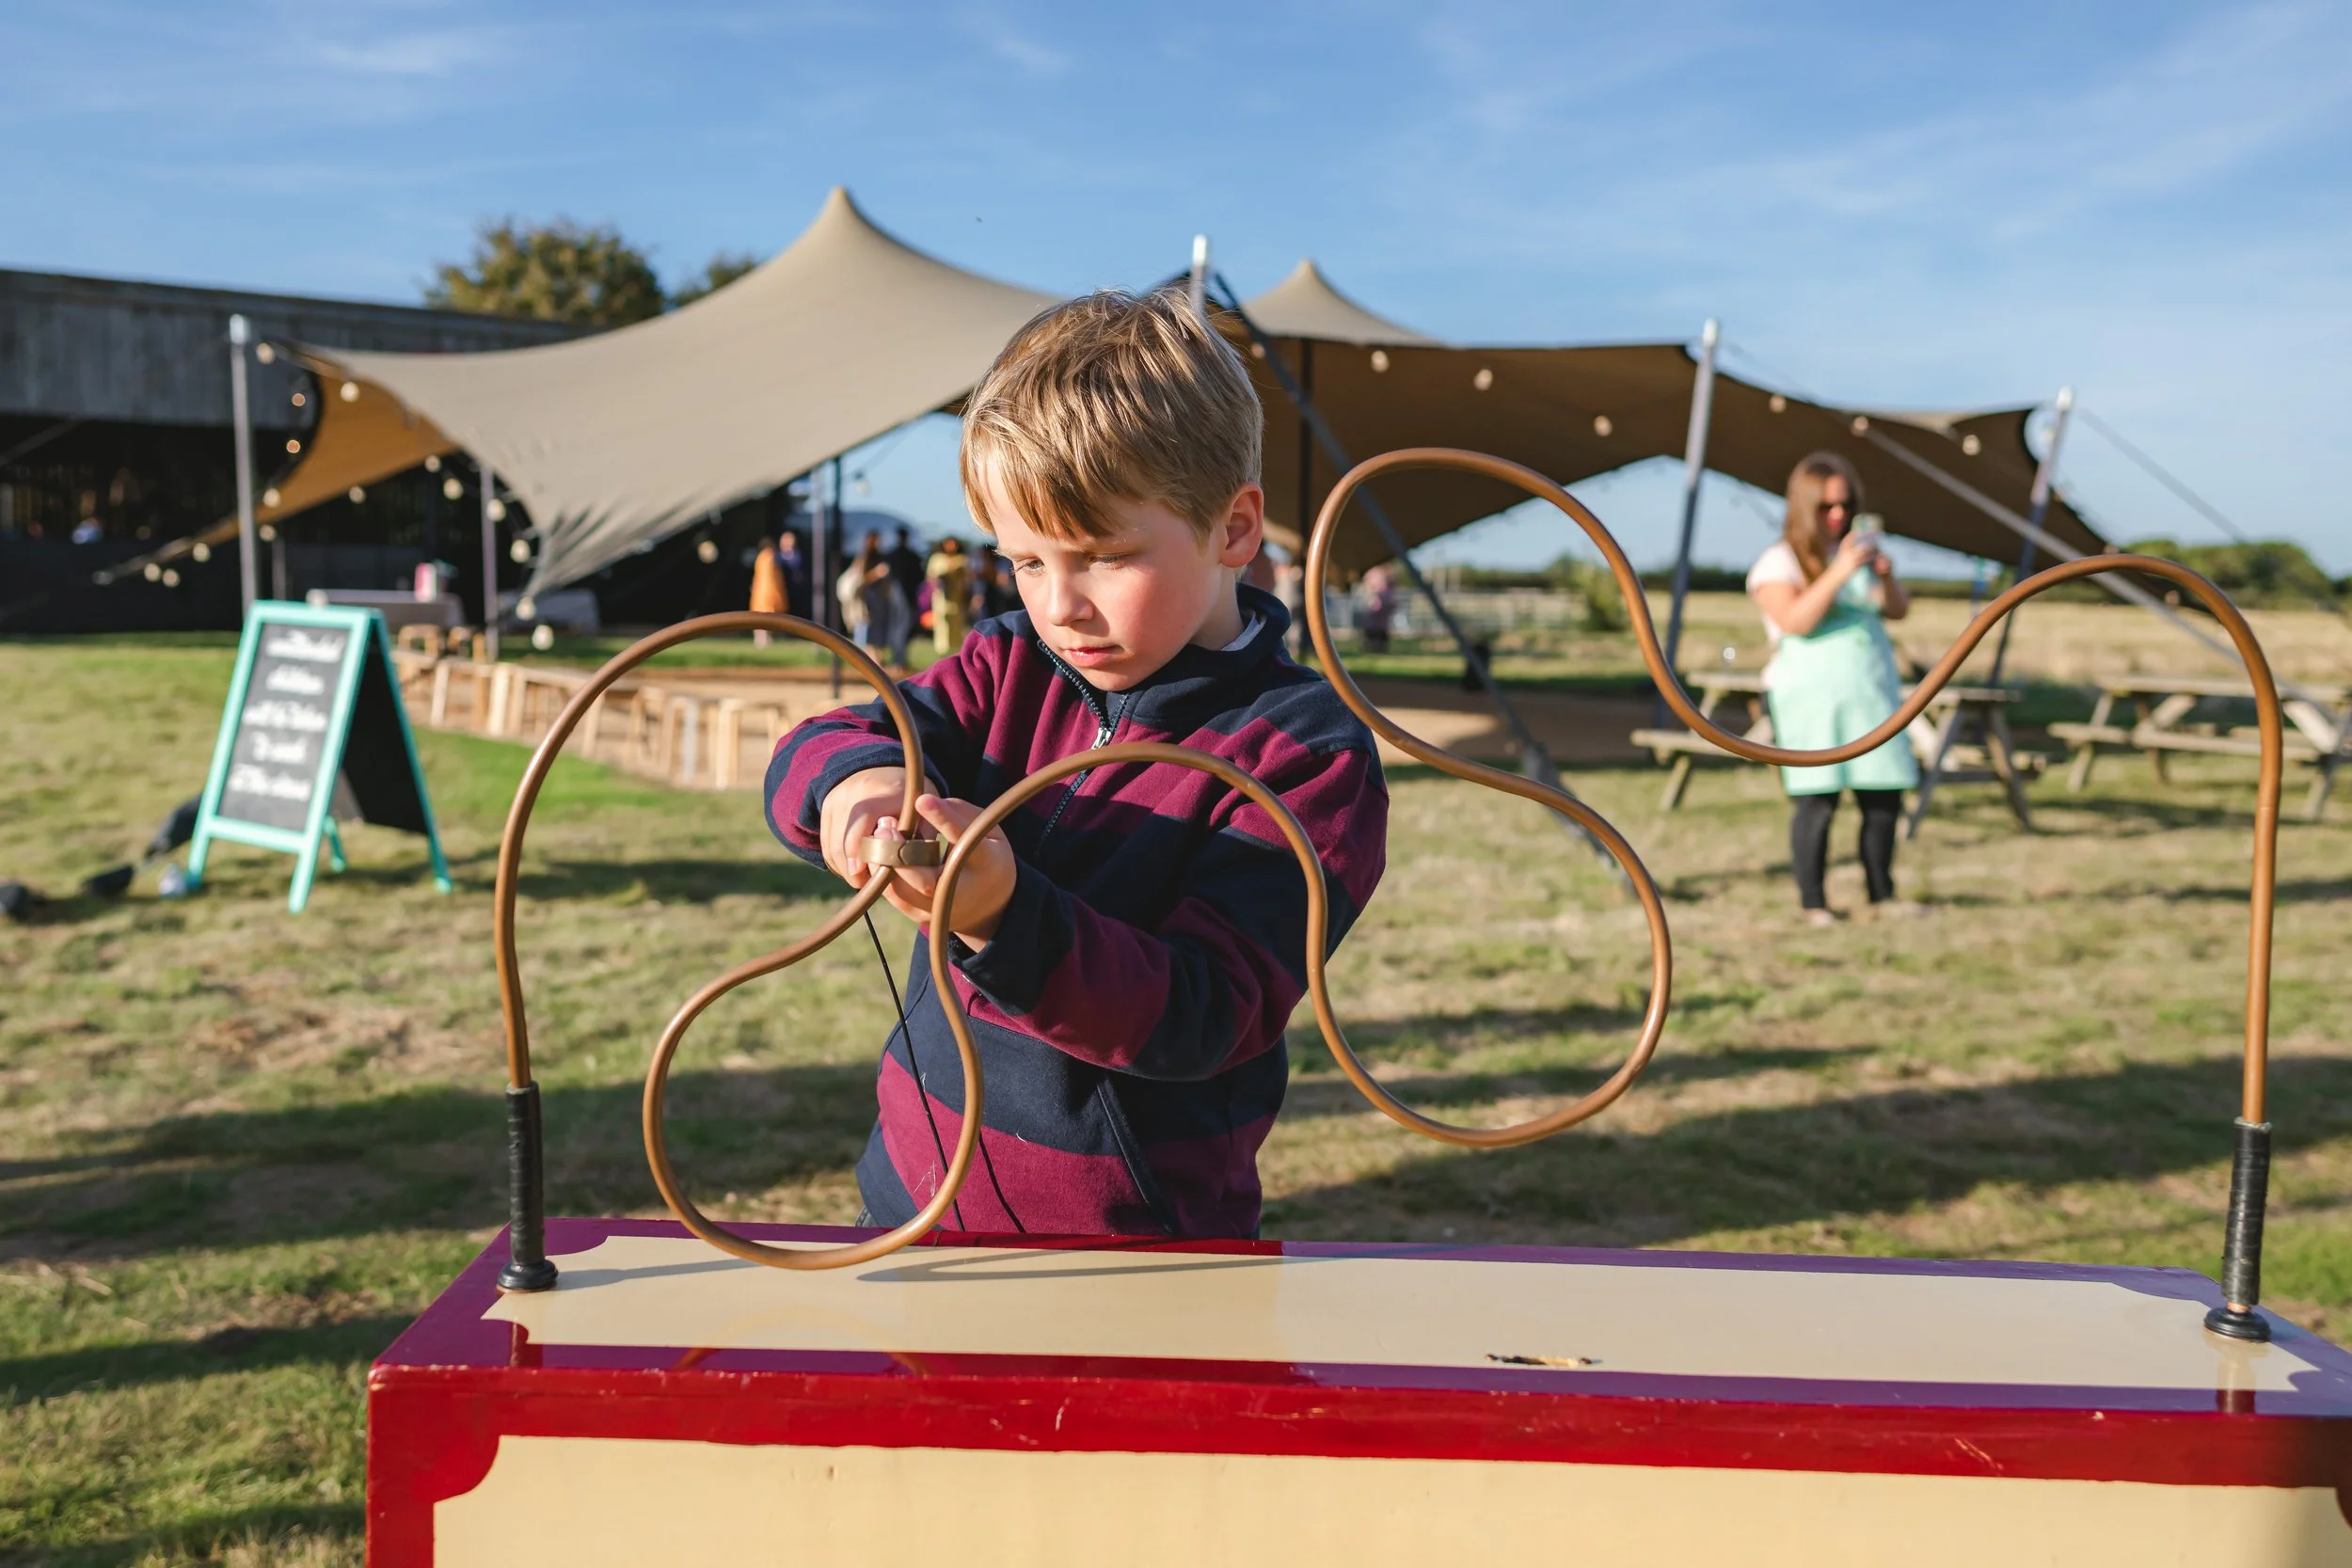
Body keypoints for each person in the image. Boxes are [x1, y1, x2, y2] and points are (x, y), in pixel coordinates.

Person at [766, 287, 1389, 1239]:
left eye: (1102, 555)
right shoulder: (1007, 664)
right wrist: (864, 788)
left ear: (1232, 528)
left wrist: (1006, 917)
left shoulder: (1302, 756)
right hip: (909, 1205)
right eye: (1022, 561)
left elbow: (1206, 1009)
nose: (1060, 606)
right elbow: (829, 739)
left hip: (1140, 1250)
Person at [1745, 451, 1918, 926]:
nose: (1838, 515)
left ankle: (1882, 895)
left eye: (1845, 505)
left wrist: (1885, 575)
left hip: (1871, 691)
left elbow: (1898, 611)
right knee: (1817, 799)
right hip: (1811, 700)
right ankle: (1814, 904)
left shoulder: (1857, 556)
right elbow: (1794, 620)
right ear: (1803, 506)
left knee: (1882, 796)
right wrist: (1838, 574)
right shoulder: (1778, 561)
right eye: (1826, 507)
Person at [837, 531, 900, 657]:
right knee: (865, 630)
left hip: (878, 599)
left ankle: (876, 661)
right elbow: (860, 580)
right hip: (866, 600)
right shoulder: (863, 558)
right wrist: (876, 573)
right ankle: (870, 661)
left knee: (878, 631)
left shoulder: (880, 557)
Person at [925, 536, 973, 655]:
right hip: (941, 599)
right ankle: (942, 651)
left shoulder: (962, 560)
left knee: (956, 626)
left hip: (956, 600)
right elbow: (930, 577)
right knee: (942, 624)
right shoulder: (936, 559)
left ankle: (956, 651)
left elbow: (968, 580)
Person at [883, 526, 924, 667]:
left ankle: (898, 659)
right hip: (904, 595)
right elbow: (920, 577)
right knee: (902, 626)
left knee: (897, 626)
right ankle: (899, 660)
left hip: (896, 595)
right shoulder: (911, 556)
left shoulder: (892, 555)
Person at [749, 536, 787, 648]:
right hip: (767, 593)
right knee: (767, 617)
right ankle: (763, 641)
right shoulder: (769, 557)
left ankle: (762, 640)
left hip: (760, 592)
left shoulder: (761, 557)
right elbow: (770, 578)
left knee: (760, 617)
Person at [1359, 564, 1396, 653]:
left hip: (1379, 623)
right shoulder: (1383, 592)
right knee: (1373, 635)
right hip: (1375, 622)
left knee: (1378, 637)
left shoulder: (1385, 592)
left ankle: (1377, 647)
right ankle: (1372, 647)